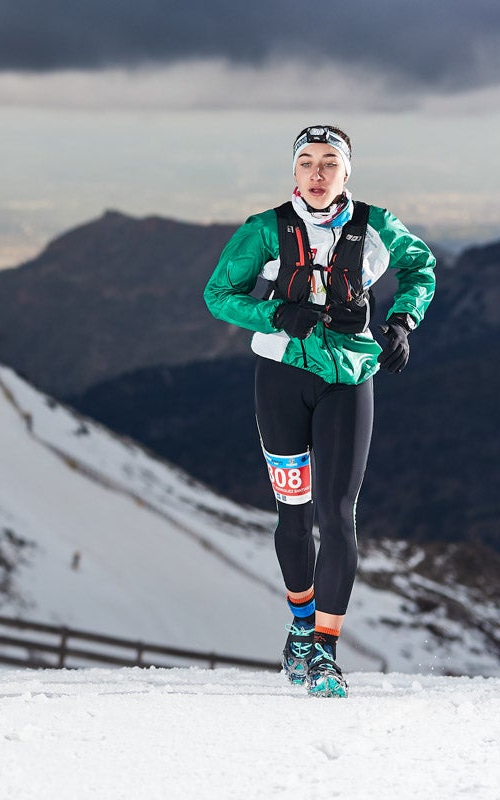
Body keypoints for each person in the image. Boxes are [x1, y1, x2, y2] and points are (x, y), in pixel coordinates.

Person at [203, 125, 435, 697]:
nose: (317, 172)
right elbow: (218, 295)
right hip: (280, 377)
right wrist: (276, 317)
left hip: (350, 378)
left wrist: (403, 321)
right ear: (294, 172)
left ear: (347, 171)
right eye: (307, 161)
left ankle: (325, 652)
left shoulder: (378, 226)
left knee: (337, 514)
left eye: (330, 162)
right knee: (294, 515)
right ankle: (300, 631)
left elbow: (420, 268)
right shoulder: (265, 229)